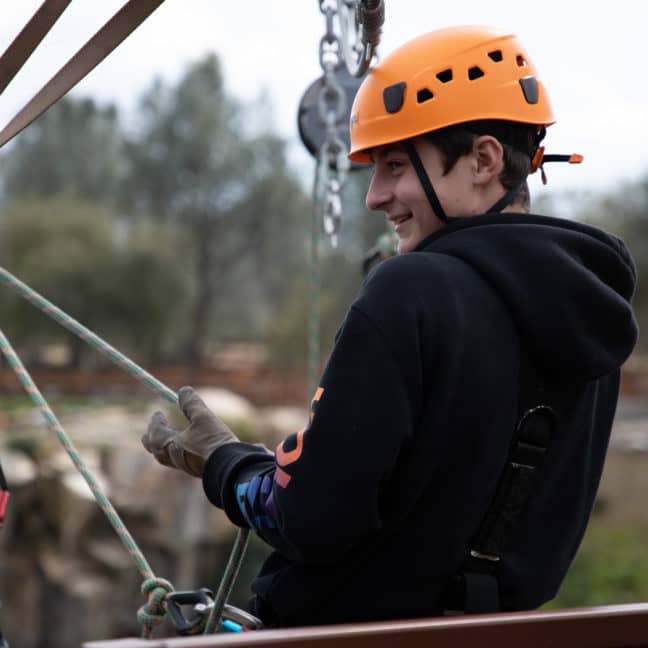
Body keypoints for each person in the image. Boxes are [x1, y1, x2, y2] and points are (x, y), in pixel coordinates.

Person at [141, 25, 638, 628]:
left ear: (483, 159)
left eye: (396, 165)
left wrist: (226, 464)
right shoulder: (591, 310)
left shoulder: (412, 292)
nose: (376, 196)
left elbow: (311, 521)